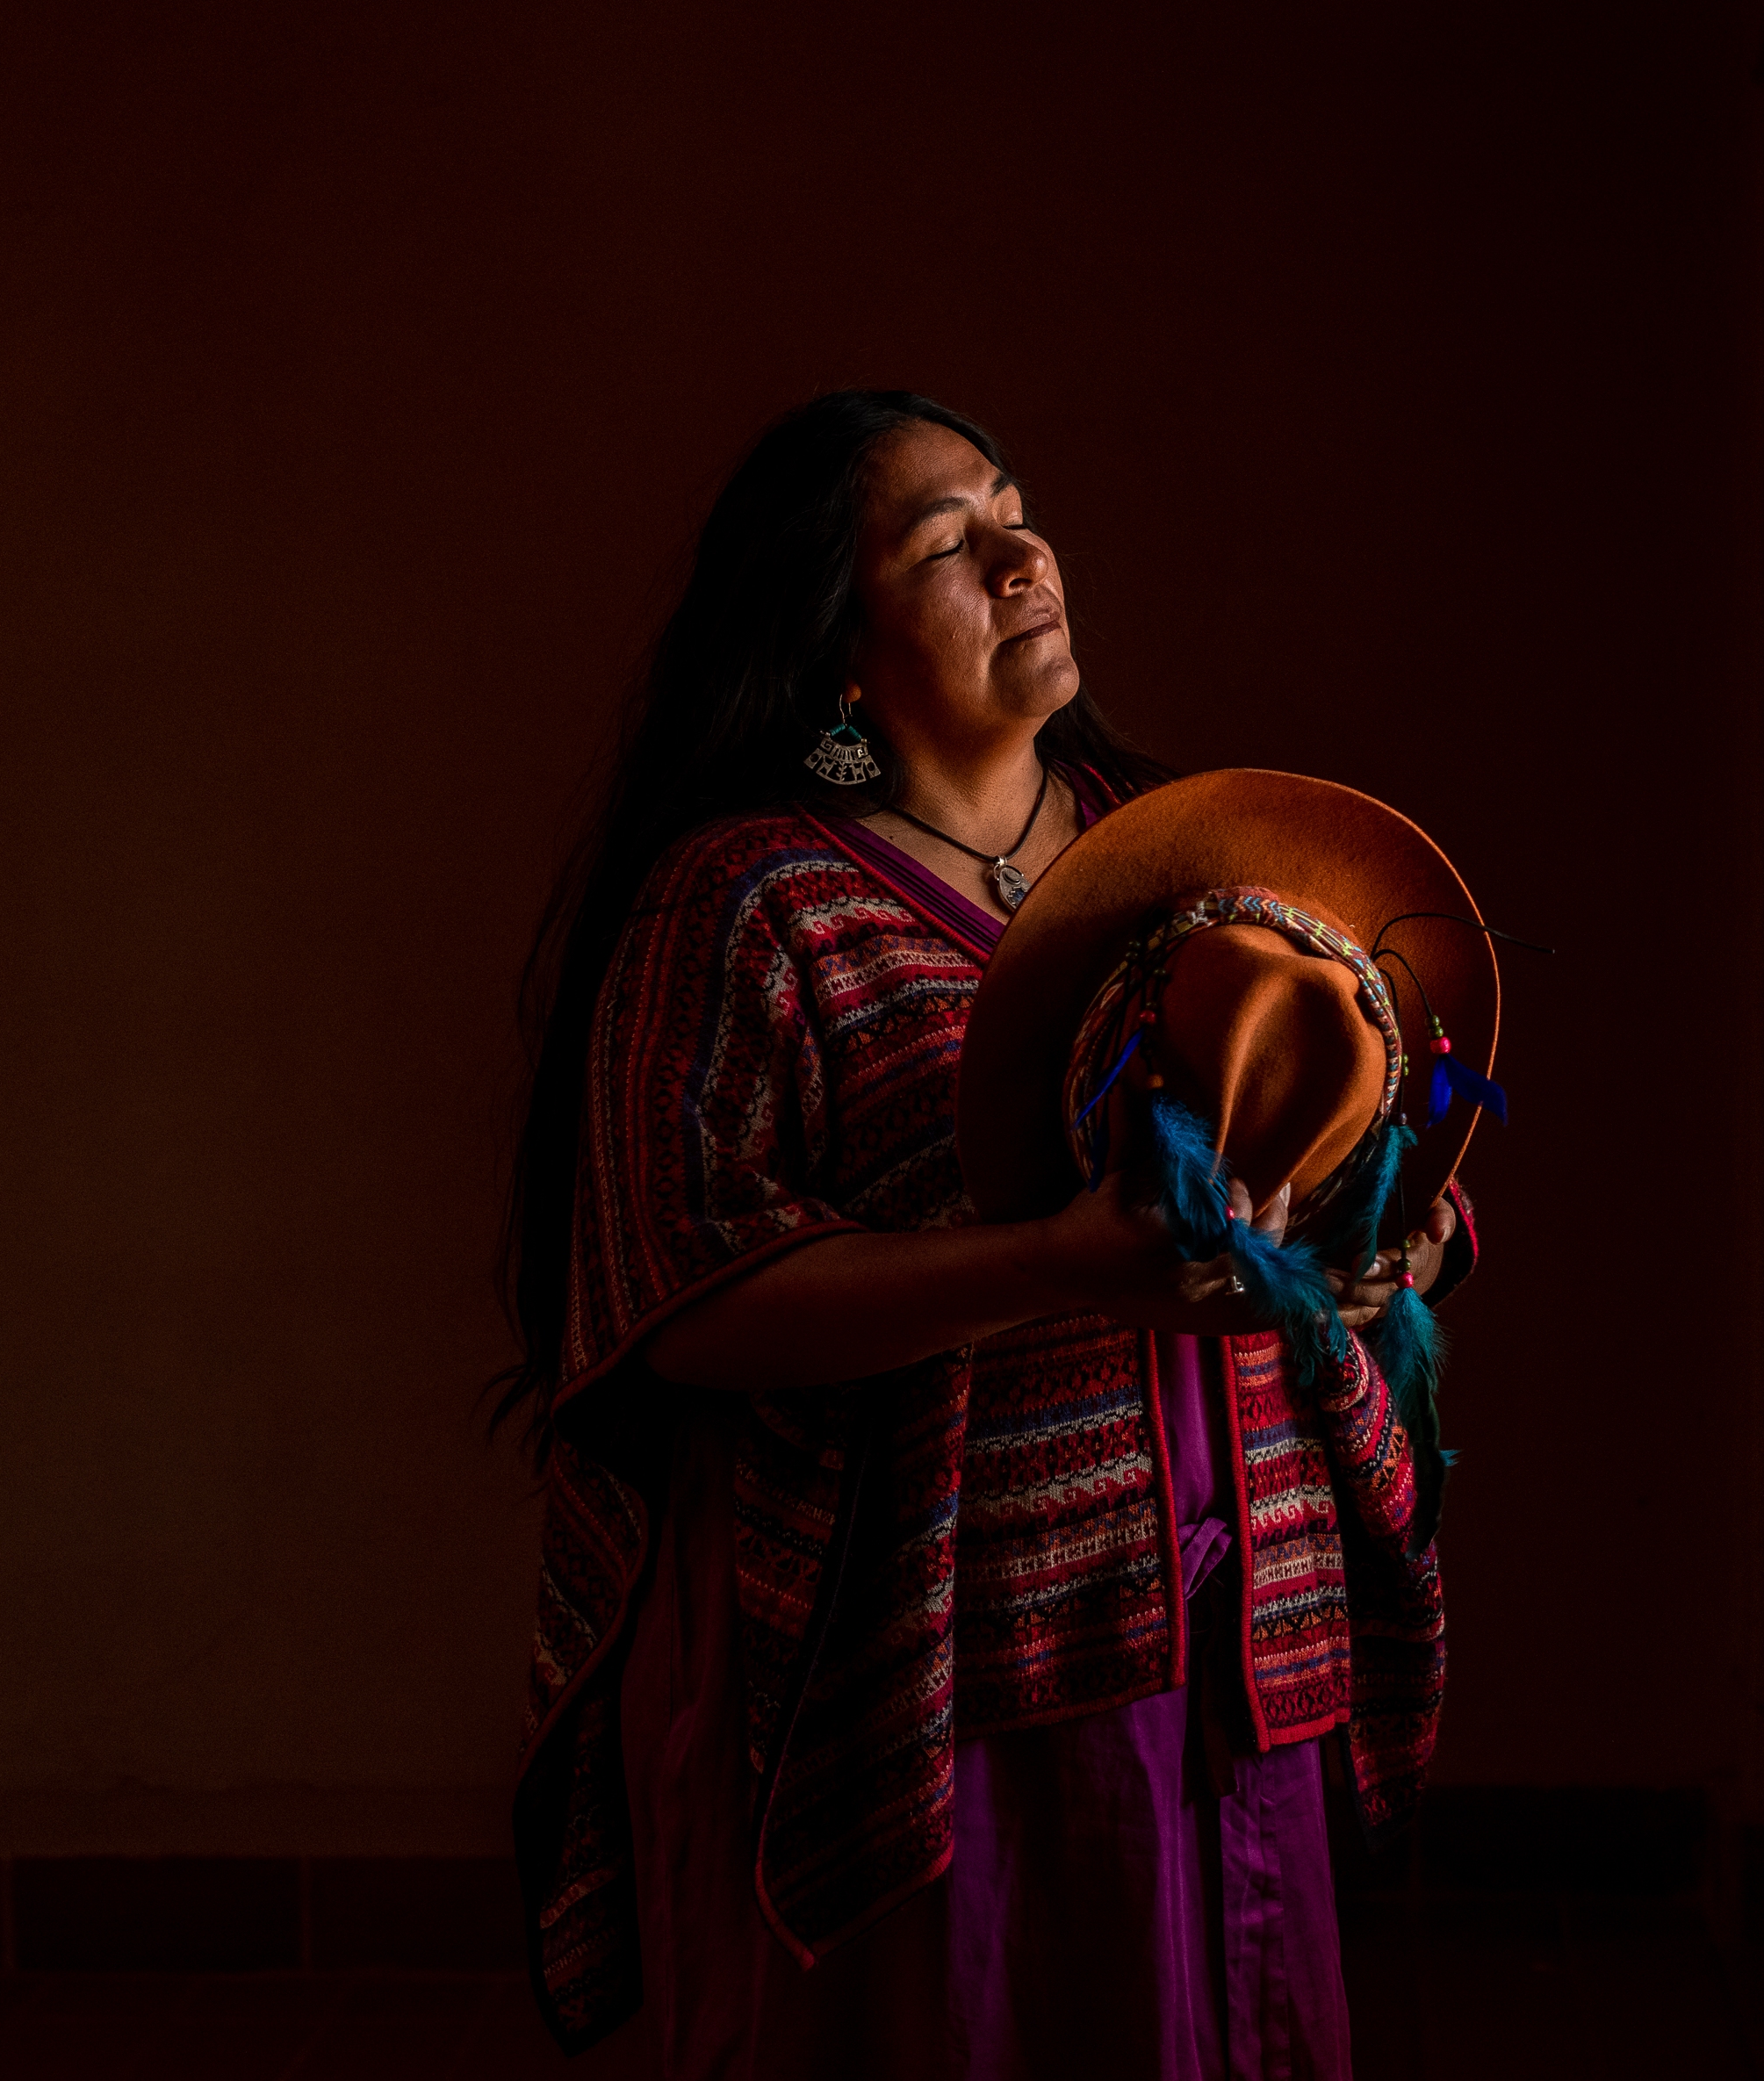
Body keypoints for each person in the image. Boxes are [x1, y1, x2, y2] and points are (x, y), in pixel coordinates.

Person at [501, 391, 1473, 2078]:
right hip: (936, 1688)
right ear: (835, 654)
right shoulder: (747, 904)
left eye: (1017, 510)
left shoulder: (1191, 866)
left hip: (1227, 1654)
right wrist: (1050, 1268)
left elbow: (1405, 1180)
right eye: (949, 544)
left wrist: (1369, 1257)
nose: (1027, 555)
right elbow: (681, 1298)